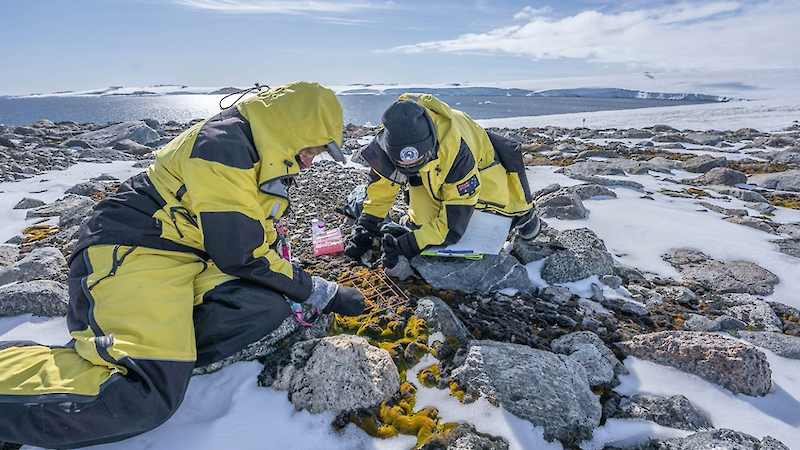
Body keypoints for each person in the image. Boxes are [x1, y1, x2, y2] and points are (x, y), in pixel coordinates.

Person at [0, 81, 365, 448]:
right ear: (292, 131)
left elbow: (255, 237)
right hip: (131, 250)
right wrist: (322, 291)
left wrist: (300, 284)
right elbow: (242, 254)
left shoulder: (262, 152)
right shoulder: (224, 146)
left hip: (191, 257)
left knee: (261, 307)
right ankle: (34, 368)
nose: (311, 161)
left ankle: (141, 341)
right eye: (313, 149)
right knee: (145, 394)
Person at [345, 93, 540, 268]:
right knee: (423, 222)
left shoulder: (457, 152)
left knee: (478, 224)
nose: (409, 168)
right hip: (433, 171)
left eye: (417, 162)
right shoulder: (387, 142)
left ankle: (525, 217)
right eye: (402, 165)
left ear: (430, 147)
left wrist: (405, 246)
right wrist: (366, 225)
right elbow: (382, 187)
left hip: (482, 171)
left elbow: (451, 227)